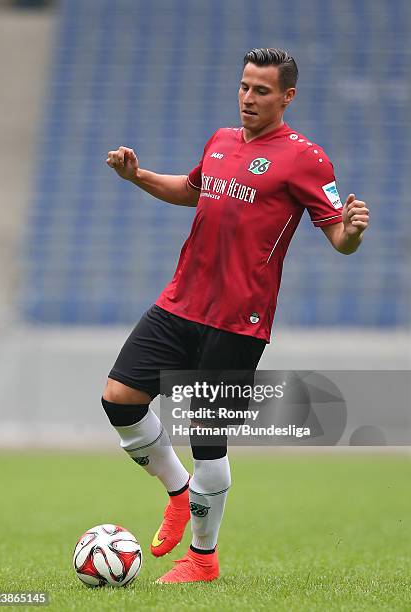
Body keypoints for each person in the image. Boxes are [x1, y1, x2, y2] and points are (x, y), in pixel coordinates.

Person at [102, 48, 369, 584]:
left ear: (287, 96)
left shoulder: (306, 159)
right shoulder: (221, 141)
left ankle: (203, 558)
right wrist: (138, 176)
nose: (248, 98)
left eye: (262, 91)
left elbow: (338, 236)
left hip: (237, 322)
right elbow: (192, 191)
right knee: (119, 398)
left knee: (206, 439)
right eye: (244, 87)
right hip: (180, 303)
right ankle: (178, 493)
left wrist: (353, 232)